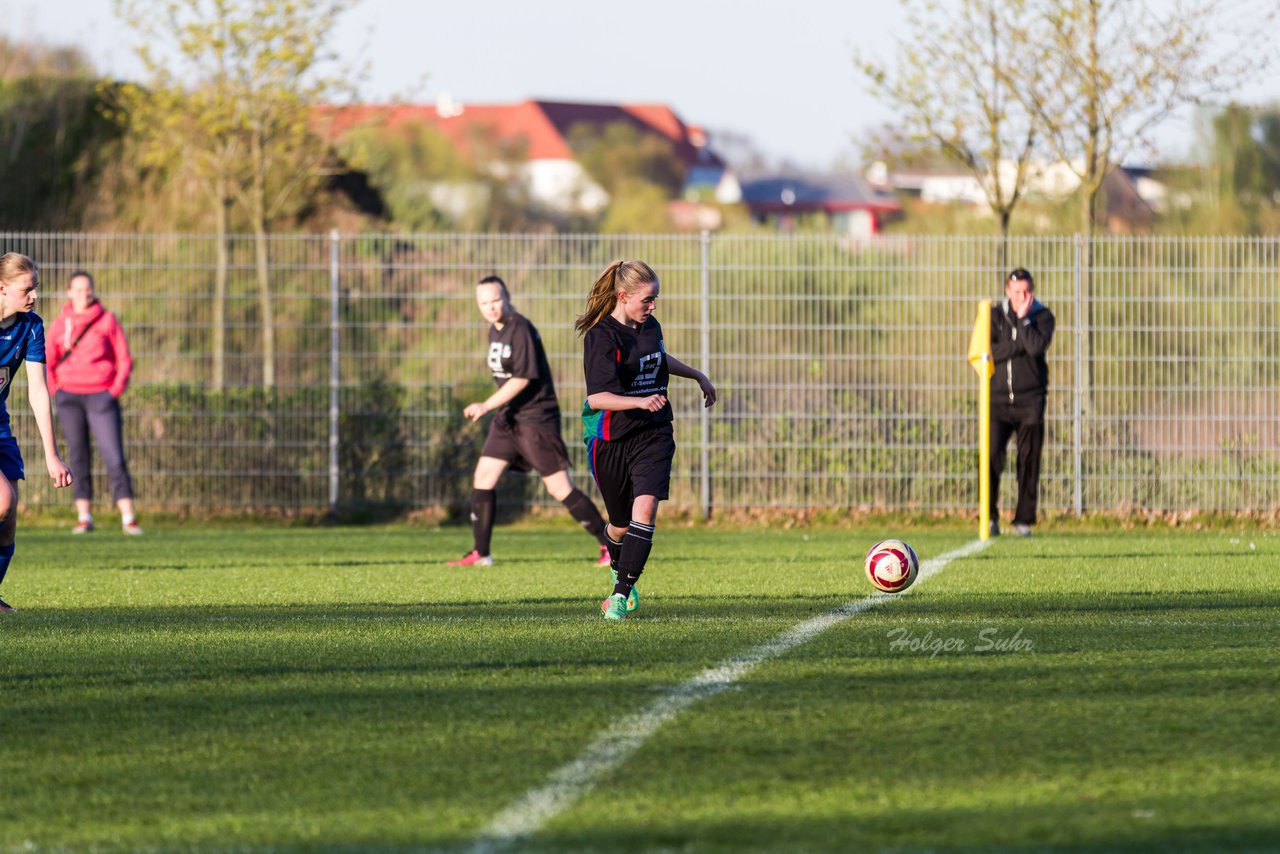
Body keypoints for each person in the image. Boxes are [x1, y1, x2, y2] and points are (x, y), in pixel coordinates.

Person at [577, 260, 716, 621]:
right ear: (623, 297)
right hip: (610, 437)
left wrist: (697, 375)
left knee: (646, 509)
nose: (653, 306)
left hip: (653, 432)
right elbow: (597, 399)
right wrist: (638, 400)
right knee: (620, 524)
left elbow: (656, 358)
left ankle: (620, 595)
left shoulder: (649, 325)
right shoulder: (601, 337)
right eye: (647, 299)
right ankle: (617, 565)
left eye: (655, 299)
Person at [448, 275, 613, 568]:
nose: (491, 307)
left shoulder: (520, 329)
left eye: (496, 300)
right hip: (509, 418)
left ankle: (610, 545)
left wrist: (486, 405)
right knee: (483, 477)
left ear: (507, 297)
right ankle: (481, 553)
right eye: (484, 303)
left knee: (559, 487)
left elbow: (522, 378)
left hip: (536, 419)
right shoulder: (494, 330)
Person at [0, 253, 75, 612]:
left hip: (0, 426)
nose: (33, 296)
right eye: (26, 289)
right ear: (2, 288)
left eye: (35, 288)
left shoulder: (31, 327)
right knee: (3, 501)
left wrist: (52, 454)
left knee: (8, 521)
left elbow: (37, 390)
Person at [46, 271, 142, 535]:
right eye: (78, 289)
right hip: (69, 399)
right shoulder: (60, 322)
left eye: (87, 289)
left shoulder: (107, 319)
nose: (83, 293)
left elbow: (123, 358)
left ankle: (128, 518)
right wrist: (56, 389)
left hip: (102, 397)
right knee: (78, 456)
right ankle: (84, 516)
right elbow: (47, 359)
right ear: (68, 292)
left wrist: (114, 390)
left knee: (114, 456)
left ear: (93, 291)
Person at [989, 267, 1055, 537]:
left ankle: (1023, 520)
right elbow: (989, 352)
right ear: (1008, 291)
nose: (1021, 296)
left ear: (1032, 292)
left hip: (1031, 399)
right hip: (998, 400)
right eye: (1017, 292)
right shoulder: (993, 316)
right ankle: (989, 516)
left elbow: (1037, 347)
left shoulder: (1042, 316)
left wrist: (1023, 320)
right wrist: (1018, 345)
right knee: (992, 455)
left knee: (1028, 459)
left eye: (1026, 292)